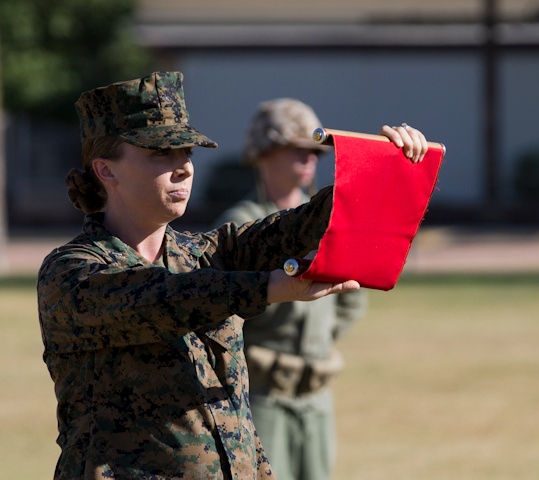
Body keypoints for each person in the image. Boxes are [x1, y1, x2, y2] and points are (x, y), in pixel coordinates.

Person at [36, 71, 428, 480]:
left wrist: (382, 170)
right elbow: (164, 297)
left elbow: (296, 227)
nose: (184, 168)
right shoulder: (71, 272)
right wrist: (267, 287)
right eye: (160, 154)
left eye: (186, 152)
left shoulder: (203, 254)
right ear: (106, 170)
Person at [213, 98, 366, 480]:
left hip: (316, 397)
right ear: (263, 153)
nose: (310, 158)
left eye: (314, 151)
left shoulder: (325, 221)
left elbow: (352, 296)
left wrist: (322, 336)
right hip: (262, 397)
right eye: (296, 150)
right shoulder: (241, 227)